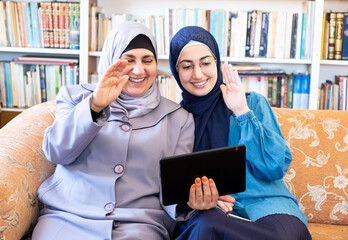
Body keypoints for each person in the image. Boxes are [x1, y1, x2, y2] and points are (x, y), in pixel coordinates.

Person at [32, 21, 226, 240]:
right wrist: (95, 105)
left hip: (139, 225)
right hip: (67, 217)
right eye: (128, 60)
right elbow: (57, 152)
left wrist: (191, 200)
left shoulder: (179, 119)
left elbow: (174, 188)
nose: (138, 70)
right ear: (111, 60)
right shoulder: (76, 97)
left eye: (147, 60)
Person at [169, 26, 312, 240]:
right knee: (205, 226)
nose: (198, 74)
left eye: (206, 63)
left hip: (267, 205)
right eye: (187, 66)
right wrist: (198, 199)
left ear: (216, 62)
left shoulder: (251, 102)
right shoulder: (175, 119)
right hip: (211, 213)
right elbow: (173, 185)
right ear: (176, 71)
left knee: (283, 236)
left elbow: (274, 167)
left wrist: (242, 112)